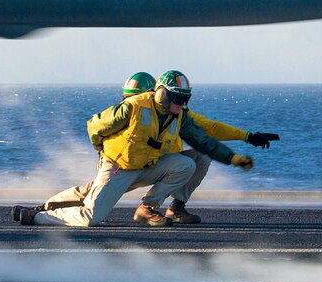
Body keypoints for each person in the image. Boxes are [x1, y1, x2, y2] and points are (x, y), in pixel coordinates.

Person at [15, 72, 279, 224]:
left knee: (196, 158)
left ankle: (167, 208)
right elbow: (95, 127)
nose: (181, 103)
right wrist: (104, 152)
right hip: (122, 167)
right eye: (177, 98)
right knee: (90, 213)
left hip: (153, 166)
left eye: (183, 99)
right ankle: (37, 213)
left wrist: (246, 137)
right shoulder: (134, 108)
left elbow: (208, 131)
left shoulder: (178, 115)